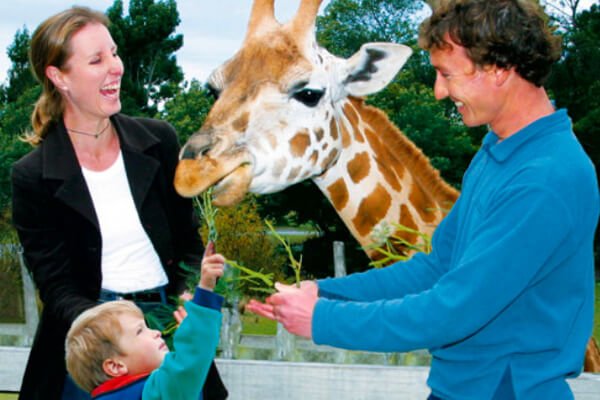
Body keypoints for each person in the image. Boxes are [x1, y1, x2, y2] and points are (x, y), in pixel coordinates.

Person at [247, 0, 600, 399]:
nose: (438, 91)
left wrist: (322, 320)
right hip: (463, 388)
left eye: (447, 74)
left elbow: (454, 310)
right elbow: (437, 268)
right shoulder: (499, 153)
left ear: (499, 69)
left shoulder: (546, 177)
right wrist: (326, 293)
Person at [11, 6, 227, 400]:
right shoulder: (33, 176)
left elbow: (188, 242)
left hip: (166, 326)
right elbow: (57, 288)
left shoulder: (159, 141)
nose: (116, 67)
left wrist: (190, 291)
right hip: (94, 340)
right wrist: (111, 333)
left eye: (114, 53)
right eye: (97, 60)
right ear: (59, 77)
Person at [65, 244, 225, 400]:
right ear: (116, 366)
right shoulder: (154, 392)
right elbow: (189, 364)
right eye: (140, 331)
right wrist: (205, 290)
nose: (157, 332)